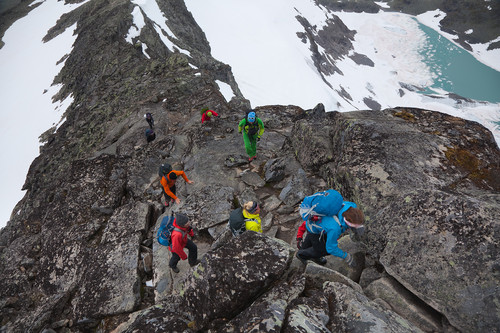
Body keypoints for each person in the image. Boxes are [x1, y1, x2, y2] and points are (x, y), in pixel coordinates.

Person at [296, 191, 365, 267]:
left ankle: (304, 249)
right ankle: (302, 255)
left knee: (308, 244)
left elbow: (355, 218)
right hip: (315, 231)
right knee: (323, 250)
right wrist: (347, 257)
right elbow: (331, 248)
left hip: (313, 224)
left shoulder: (349, 206)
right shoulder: (334, 228)